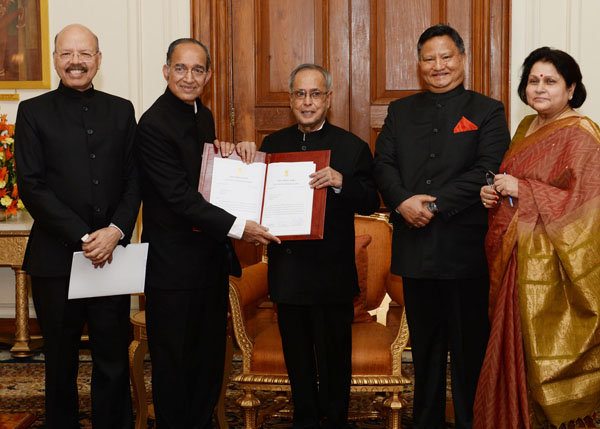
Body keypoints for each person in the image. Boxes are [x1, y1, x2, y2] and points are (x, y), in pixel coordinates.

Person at [135, 38, 280, 428]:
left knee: (208, 362)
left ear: (208, 76)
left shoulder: (205, 115)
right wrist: (240, 227)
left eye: (198, 69)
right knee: (174, 366)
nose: (189, 77)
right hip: (172, 269)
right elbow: (180, 197)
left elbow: (208, 179)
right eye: (180, 68)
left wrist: (236, 158)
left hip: (208, 263)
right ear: (166, 71)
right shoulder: (152, 124)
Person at [373, 24, 510, 429]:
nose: (439, 66)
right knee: (425, 351)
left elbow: (487, 168)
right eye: (429, 59)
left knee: (470, 351)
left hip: (466, 251)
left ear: (462, 60)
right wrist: (400, 201)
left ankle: (471, 421)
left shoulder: (487, 110)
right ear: (418, 65)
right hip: (415, 250)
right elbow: (383, 164)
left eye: (446, 56)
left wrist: (432, 203)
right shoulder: (399, 112)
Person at [14, 24, 139, 428]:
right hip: (56, 259)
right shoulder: (32, 112)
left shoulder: (122, 110)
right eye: (67, 54)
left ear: (98, 60)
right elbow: (31, 186)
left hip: (112, 255)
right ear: (54, 60)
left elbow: (135, 179)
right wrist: (86, 237)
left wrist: (116, 230)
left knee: (113, 358)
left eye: (84, 54)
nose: (76, 62)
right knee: (60, 361)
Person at [475, 47, 600, 429]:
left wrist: (524, 190)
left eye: (550, 81)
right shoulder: (527, 125)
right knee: (511, 349)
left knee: (542, 353)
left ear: (571, 87)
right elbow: (513, 182)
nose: (540, 88)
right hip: (516, 258)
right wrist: (494, 193)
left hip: (553, 272)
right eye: (533, 80)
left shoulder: (582, 133)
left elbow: (588, 205)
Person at [260, 63, 380, 428]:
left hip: (332, 276)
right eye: (300, 94)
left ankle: (336, 419)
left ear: (328, 98)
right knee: (297, 361)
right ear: (290, 100)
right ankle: (305, 419)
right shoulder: (273, 145)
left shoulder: (352, 146)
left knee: (334, 361)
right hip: (289, 273)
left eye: (315, 94)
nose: (307, 102)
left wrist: (342, 182)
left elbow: (372, 202)